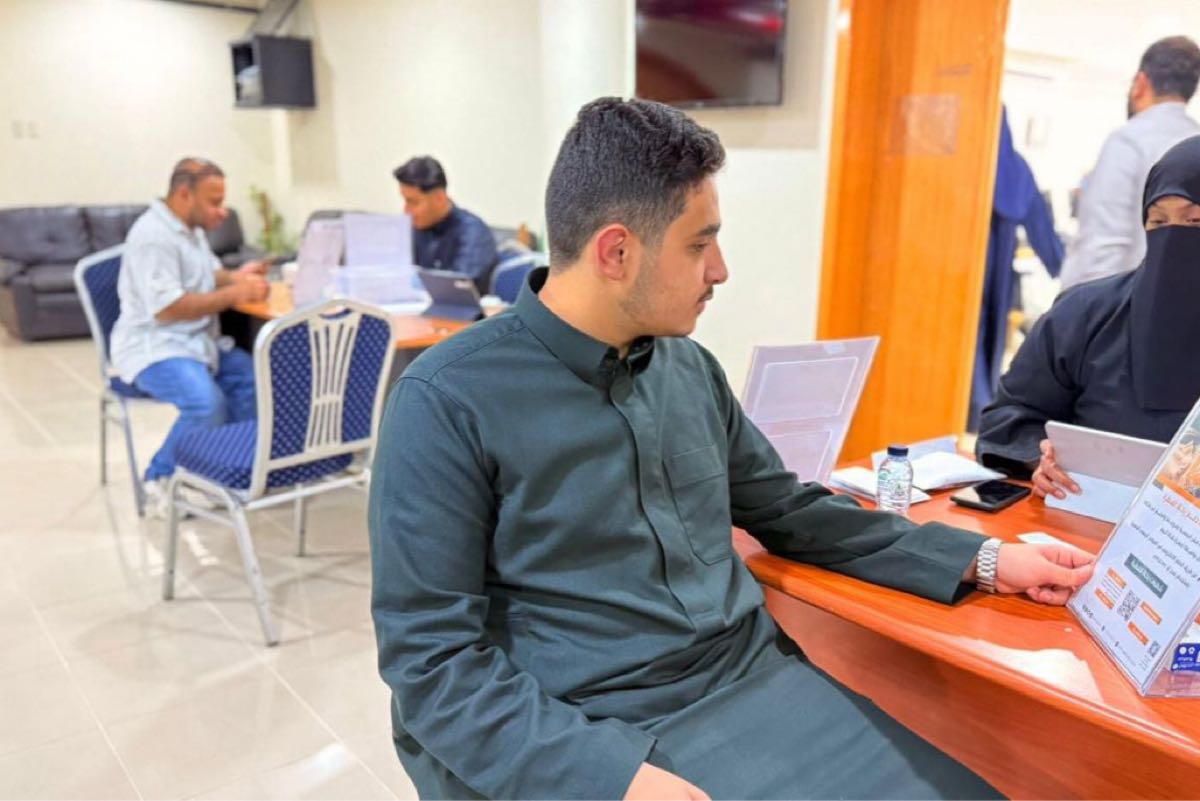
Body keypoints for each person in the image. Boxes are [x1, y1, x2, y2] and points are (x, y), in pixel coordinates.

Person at [369, 98, 1095, 800]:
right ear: (616, 251)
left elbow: (792, 512)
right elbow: (432, 663)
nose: (720, 269)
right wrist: (607, 779)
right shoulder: (447, 400)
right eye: (699, 244)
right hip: (583, 724)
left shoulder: (687, 369)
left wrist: (985, 559)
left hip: (750, 681)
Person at [977, 135, 1200, 499]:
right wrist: (1041, 460)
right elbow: (1009, 418)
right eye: (1158, 221)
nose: (1174, 237)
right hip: (1080, 516)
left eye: (1194, 221)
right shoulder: (1084, 314)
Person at [109, 158, 269, 514]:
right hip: (156, 347)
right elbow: (168, 308)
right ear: (184, 193)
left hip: (197, 342)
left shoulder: (190, 229)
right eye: (214, 202)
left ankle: (227, 472)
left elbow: (210, 274)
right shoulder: (153, 237)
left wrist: (238, 277)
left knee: (254, 380)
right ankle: (160, 481)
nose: (222, 211)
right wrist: (236, 293)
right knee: (205, 403)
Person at [1058, 36, 1200, 290]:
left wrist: (1083, 311)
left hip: (1128, 305)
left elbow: (1102, 248)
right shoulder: (1195, 145)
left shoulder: (1129, 142)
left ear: (1140, 84)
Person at [968, 108, 1063, 431]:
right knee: (985, 336)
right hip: (997, 278)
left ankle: (975, 404)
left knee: (972, 336)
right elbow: (1041, 226)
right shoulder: (1017, 169)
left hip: (961, 274)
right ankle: (979, 407)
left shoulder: (967, 165)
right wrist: (1060, 264)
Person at [393, 156, 498, 294]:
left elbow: (458, 289)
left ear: (439, 198)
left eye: (413, 202)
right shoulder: (417, 228)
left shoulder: (473, 233)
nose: (406, 211)